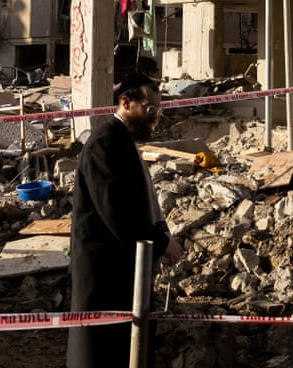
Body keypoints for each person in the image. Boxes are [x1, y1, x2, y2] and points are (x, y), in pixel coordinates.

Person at [67, 72, 182, 367]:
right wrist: (160, 242)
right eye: (150, 109)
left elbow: (138, 202)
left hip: (123, 266)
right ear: (126, 103)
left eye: (158, 109)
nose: (155, 118)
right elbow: (117, 212)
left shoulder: (122, 141)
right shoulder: (104, 145)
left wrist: (161, 233)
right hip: (105, 271)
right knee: (102, 352)